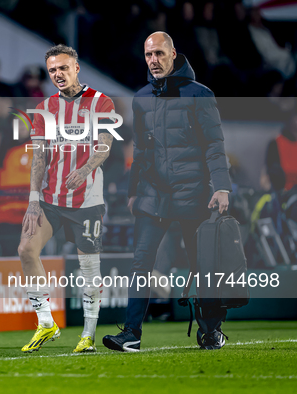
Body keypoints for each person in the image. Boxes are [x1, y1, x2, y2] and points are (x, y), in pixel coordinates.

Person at [102, 32, 232, 352]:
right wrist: (133, 192)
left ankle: (212, 331)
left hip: (193, 192)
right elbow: (142, 152)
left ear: (173, 53)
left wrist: (223, 187)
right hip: (153, 194)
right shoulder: (141, 98)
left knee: (201, 265)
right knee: (141, 262)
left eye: (159, 53)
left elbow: (215, 146)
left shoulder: (200, 95)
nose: (154, 60)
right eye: (148, 55)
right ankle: (131, 333)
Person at [18, 44, 115, 353]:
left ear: (76, 68)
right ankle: (46, 323)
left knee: (89, 269)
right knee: (26, 249)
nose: (57, 74)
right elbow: (39, 158)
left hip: (87, 201)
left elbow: (105, 145)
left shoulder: (101, 102)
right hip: (49, 199)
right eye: (52, 71)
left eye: (62, 68)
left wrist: (85, 169)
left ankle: (87, 335)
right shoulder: (45, 108)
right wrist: (33, 199)